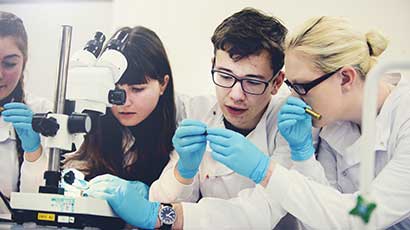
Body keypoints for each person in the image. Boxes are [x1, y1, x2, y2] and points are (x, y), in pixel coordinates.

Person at [84, 8, 324, 229]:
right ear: (213, 66)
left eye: (252, 82)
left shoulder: (290, 125)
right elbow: (164, 201)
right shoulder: (198, 111)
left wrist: (161, 215)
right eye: (225, 76)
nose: (236, 95)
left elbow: (261, 213)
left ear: (277, 83)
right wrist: (183, 170)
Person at [208, 16, 410, 228]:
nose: (295, 99)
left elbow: (359, 218)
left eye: (302, 87)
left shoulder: (404, 118)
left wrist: (264, 170)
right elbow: (321, 217)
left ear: (345, 78)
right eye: (292, 87)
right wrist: (303, 154)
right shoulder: (333, 120)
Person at [61, 26, 176, 187]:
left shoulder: (180, 128)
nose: (124, 102)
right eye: (114, 91)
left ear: (163, 84)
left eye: (137, 89)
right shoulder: (97, 126)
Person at [0, 11, 52, 198]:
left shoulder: (42, 112)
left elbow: (43, 204)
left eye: (9, 64)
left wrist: (33, 152)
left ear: (24, 62)